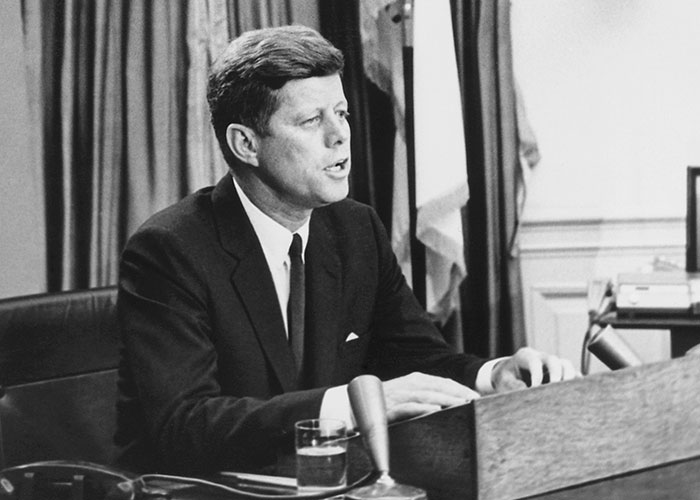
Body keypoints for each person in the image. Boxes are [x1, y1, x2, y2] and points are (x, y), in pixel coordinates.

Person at [115, 24, 576, 475]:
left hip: (327, 483)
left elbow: (417, 358)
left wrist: (492, 376)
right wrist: (355, 405)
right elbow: (186, 426)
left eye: (342, 114)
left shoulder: (356, 229)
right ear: (246, 144)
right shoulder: (169, 251)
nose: (340, 136)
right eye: (312, 120)